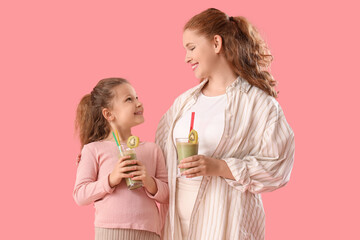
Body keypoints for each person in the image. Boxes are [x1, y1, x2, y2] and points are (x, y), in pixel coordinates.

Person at [155, 8, 295, 240]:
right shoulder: (184, 102)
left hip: (226, 224)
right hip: (175, 226)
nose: (186, 57)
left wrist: (218, 167)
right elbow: (159, 156)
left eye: (191, 47)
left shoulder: (259, 105)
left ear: (216, 43)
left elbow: (277, 168)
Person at [73, 77, 169, 240]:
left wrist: (149, 181)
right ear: (108, 114)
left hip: (149, 232)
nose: (139, 103)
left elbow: (167, 194)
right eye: (129, 99)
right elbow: (80, 195)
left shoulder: (152, 149)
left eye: (137, 97)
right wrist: (111, 179)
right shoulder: (93, 149)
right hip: (110, 232)